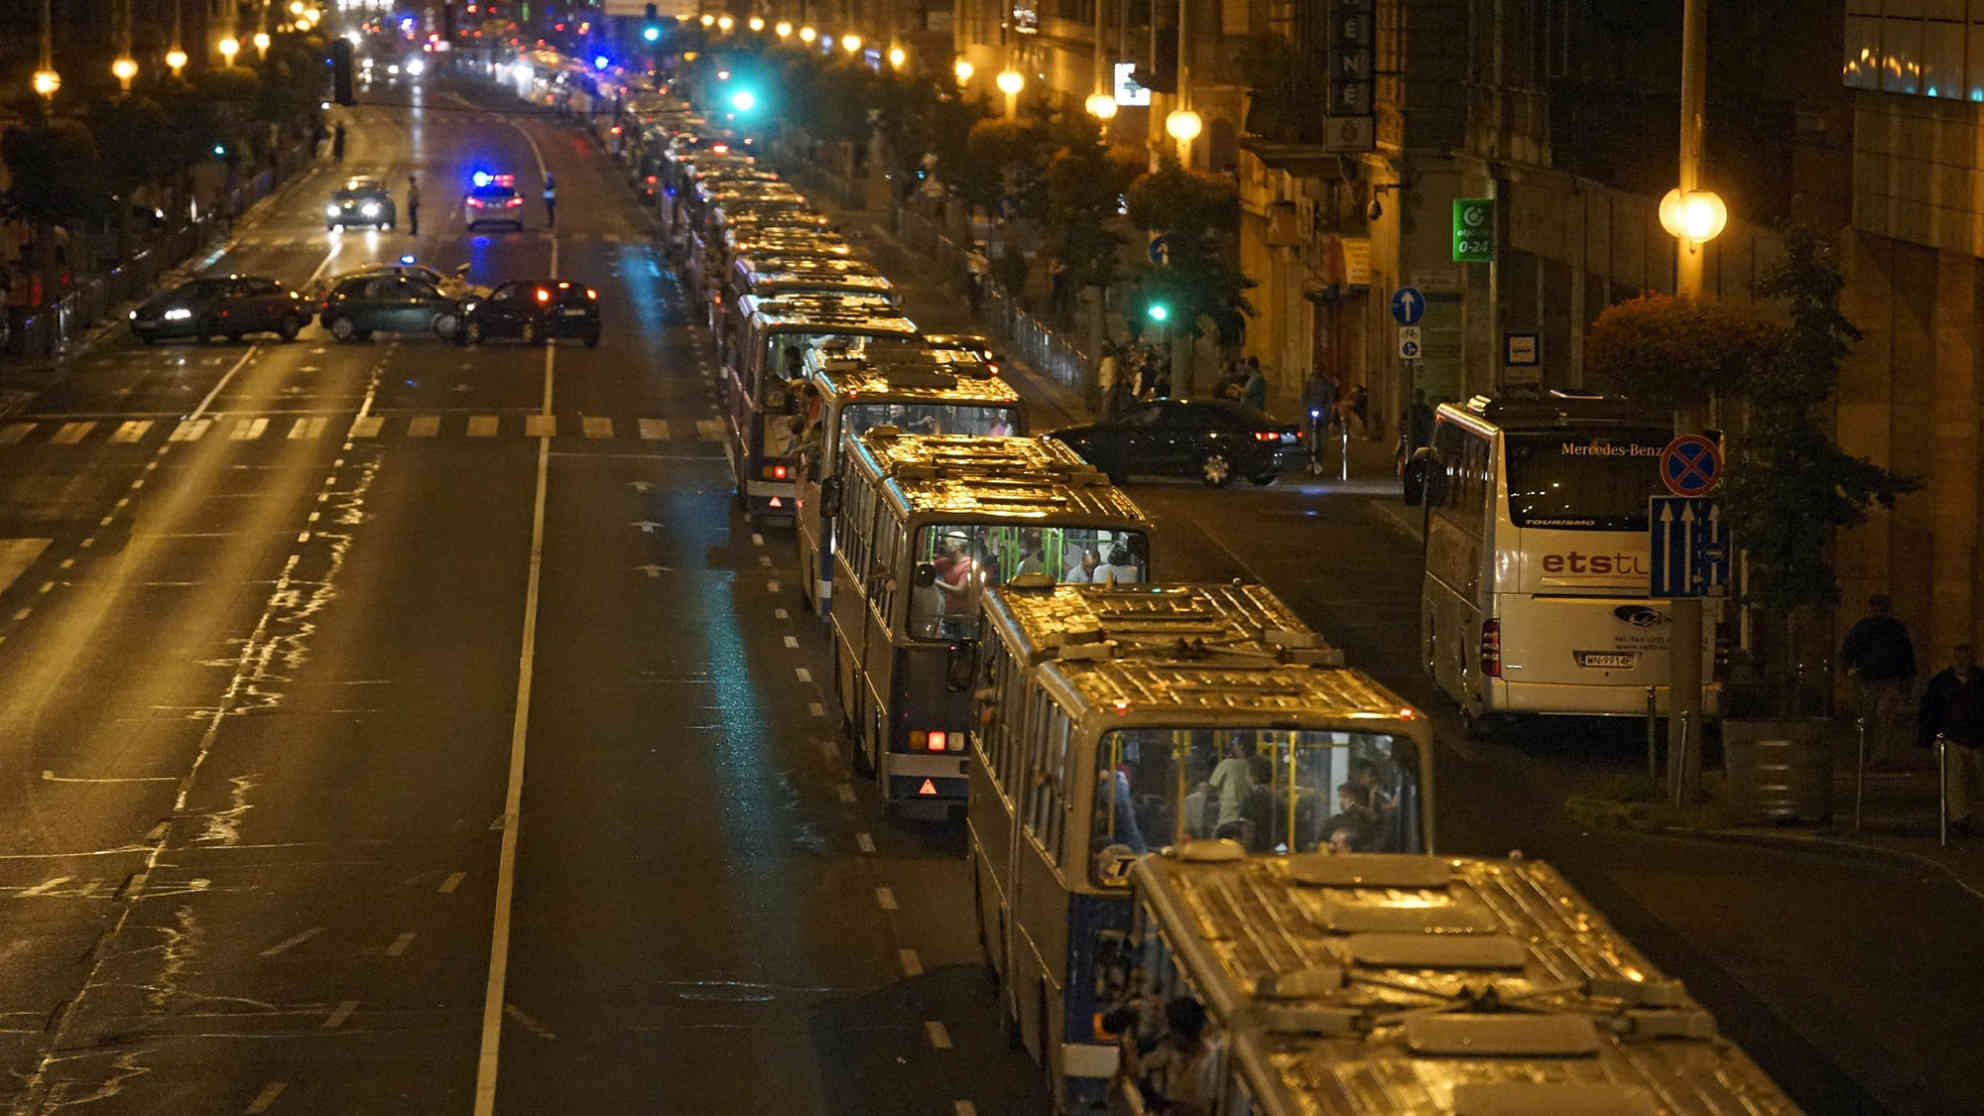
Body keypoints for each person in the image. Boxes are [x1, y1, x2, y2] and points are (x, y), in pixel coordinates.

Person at [1841, 593, 1917, 768]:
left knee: (1881, 717)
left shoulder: (1882, 628)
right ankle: (1871, 754)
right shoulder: (1888, 628)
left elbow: (1906, 655)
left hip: (1882, 679)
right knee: (1872, 718)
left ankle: (1875, 755)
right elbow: (1906, 656)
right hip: (1871, 678)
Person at [1920, 643, 1984, 836]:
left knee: (1978, 774)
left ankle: (1970, 810)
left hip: (1979, 739)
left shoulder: (1981, 681)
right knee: (1954, 773)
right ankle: (1960, 817)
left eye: (1965, 658)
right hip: (1951, 738)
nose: (1961, 662)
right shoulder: (1941, 683)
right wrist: (1929, 738)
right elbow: (1930, 712)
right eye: (1958, 658)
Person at [1208, 740, 1252, 840]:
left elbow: (1212, 785)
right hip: (1244, 813)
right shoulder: (1248, 765)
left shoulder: (1226, 764)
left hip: (1227, 814)